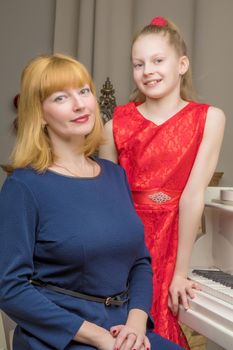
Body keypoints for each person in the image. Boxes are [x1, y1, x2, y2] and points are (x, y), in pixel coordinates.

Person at [0, 53, 184, 350]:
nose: (79, 104)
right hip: (64, 336)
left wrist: (136, 325)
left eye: (84, 91)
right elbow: (10, 288)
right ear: (40, 113)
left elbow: (139, 261)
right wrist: (98, 338)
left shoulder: (114, 176)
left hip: (123, 330)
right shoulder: (23, 187)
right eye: (60, 98)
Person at [99, 16, 225, 349]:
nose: (147, 70)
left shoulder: (208, 118)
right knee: (122, 329)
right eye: (138, 64)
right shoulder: (116, 124)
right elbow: (103, 198)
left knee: (162, 322)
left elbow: (193, 195)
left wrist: (179, 271)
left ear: (182, 64)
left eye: (158, 60)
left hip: (173, 236)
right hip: (126, 236)